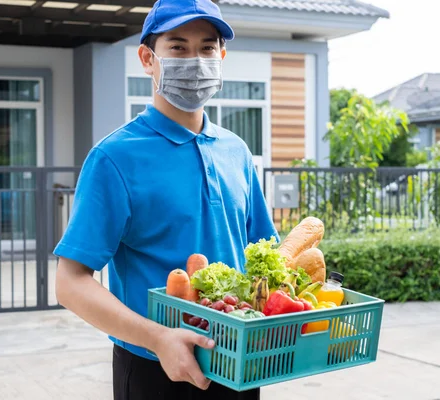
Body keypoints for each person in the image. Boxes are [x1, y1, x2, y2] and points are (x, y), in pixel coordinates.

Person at [53, 0, 278, 398]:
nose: (195, 60)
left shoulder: (236, 152)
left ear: (221, 56)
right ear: (147, 58)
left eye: (207, 48)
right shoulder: (115, 157)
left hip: (240, 365)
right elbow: (71, 283)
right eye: (178, 47)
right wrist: (158, 339)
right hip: (154, 370)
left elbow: (266, 257)